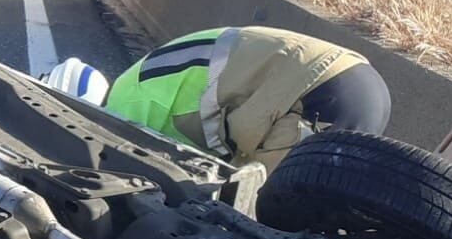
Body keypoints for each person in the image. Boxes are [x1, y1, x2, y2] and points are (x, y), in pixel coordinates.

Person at [102, 27, 392, 172]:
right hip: (358, 81)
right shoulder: (142, 73)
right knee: (333, 201)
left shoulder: (124, 104)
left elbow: (157, 166)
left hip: (311, 98)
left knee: (273, 219)